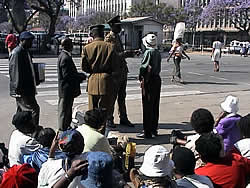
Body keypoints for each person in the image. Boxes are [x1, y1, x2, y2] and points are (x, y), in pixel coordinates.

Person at [105, 15, 138, 128]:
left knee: (122, 96)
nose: (120, 28)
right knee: (112, 97)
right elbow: (112, 56)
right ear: (112, 26)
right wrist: (126, 54)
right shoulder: (109, 38)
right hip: (114, 72)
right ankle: (109, 118)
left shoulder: (117, 36)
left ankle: (123, 118)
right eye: (118, 26)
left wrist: (130, 53)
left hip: (122, 71)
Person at [81, 24, 120, 122]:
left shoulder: (87, 48)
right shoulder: (110, 47)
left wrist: (92, 70)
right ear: (102, 34)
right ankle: (102, 132)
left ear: (93, 34)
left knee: (92, 111)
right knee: (104, 111)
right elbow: (116, 66)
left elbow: (84, 67)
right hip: (106, 81)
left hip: (93, 80)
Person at [9, 31, 40, 126]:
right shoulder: (17, 53)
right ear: (21, 41)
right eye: (29, 41)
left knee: (22, 112)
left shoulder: (25, 52)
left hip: (27, 89)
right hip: (22, 90)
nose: (31, 43)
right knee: (34, 110)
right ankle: (33, 130)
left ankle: (21, 129)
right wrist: (18, 90)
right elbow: (15, 72)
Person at [57, 38, 86, 131]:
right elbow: (67, 76)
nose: (72, 46)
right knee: (65, 110)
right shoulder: (65, 58)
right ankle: (63, 128)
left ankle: (66, 126)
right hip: (66, 89)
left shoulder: (64, 56)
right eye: (71, 44)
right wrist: (80, 77)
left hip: (66, 89)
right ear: (67, 46)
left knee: (67, 109)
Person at [136, 33, 162, 139]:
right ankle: (154, 129)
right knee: (155, 105)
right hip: (156, 79)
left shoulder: (148, 52)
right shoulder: (157, 52)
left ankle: (147, 131)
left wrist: (140, 76)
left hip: (149, 80)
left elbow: (144, 67)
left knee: (147, 105)